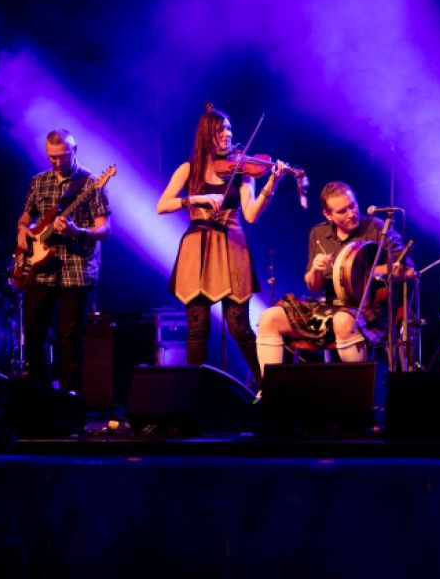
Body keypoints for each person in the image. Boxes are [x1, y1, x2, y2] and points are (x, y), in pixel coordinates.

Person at [156, 104, 288, 385]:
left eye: (229, 129)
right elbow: (162, 205)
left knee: (240, 327)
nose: (228, 134)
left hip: (231, 247)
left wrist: (272, 184)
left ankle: (268, 387)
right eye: (221, 130)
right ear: (207, 135)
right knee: (197, 328)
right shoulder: (189, 169)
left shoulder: (242, 171)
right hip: (197, 250)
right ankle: (195, 395)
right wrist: (196, 199)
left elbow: (250, 214)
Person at [256, 181, 413, 370]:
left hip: (368, 311)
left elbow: (408, 270)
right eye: (342, 211)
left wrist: (364, 272)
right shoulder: (318, 233)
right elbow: (313, 287)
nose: (351, 214)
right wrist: (315, 270)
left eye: (352, 206)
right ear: (328, 214)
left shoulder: (378, 229)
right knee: (269, 318)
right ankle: (270, 386)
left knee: (342, 320)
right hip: (329, 309)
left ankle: (359, 387)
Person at [15, 129, 112, 393]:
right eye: (52, 157)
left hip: (76, 269)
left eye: (62, 156)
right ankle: (41, 400)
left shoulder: (91, 183)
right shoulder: (38, 182)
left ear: (74, 150)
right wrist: (22, 230)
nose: (57, 162)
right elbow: (25, 218)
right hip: (41, 269)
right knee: (33, 336)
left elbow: (104, 230)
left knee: (69, 341)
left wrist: (76, 231)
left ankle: (70, 405)